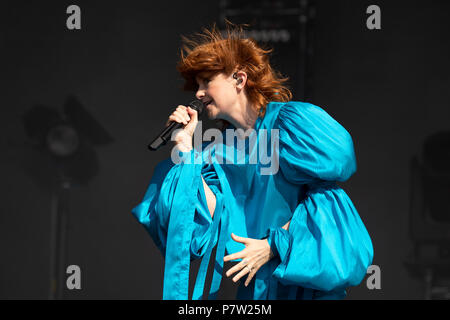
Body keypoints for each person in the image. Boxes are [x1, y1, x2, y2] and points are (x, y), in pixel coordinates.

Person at [132, 23, 373, 300]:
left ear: (239, 79)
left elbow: (327, 199)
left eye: (206, 81)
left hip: (305, 283)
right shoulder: (215, 154)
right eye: (196, 85)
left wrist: (274, 245)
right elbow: (206, 220)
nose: (198, 93)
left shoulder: (291, 124)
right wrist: (185, 148)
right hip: (257, 290)